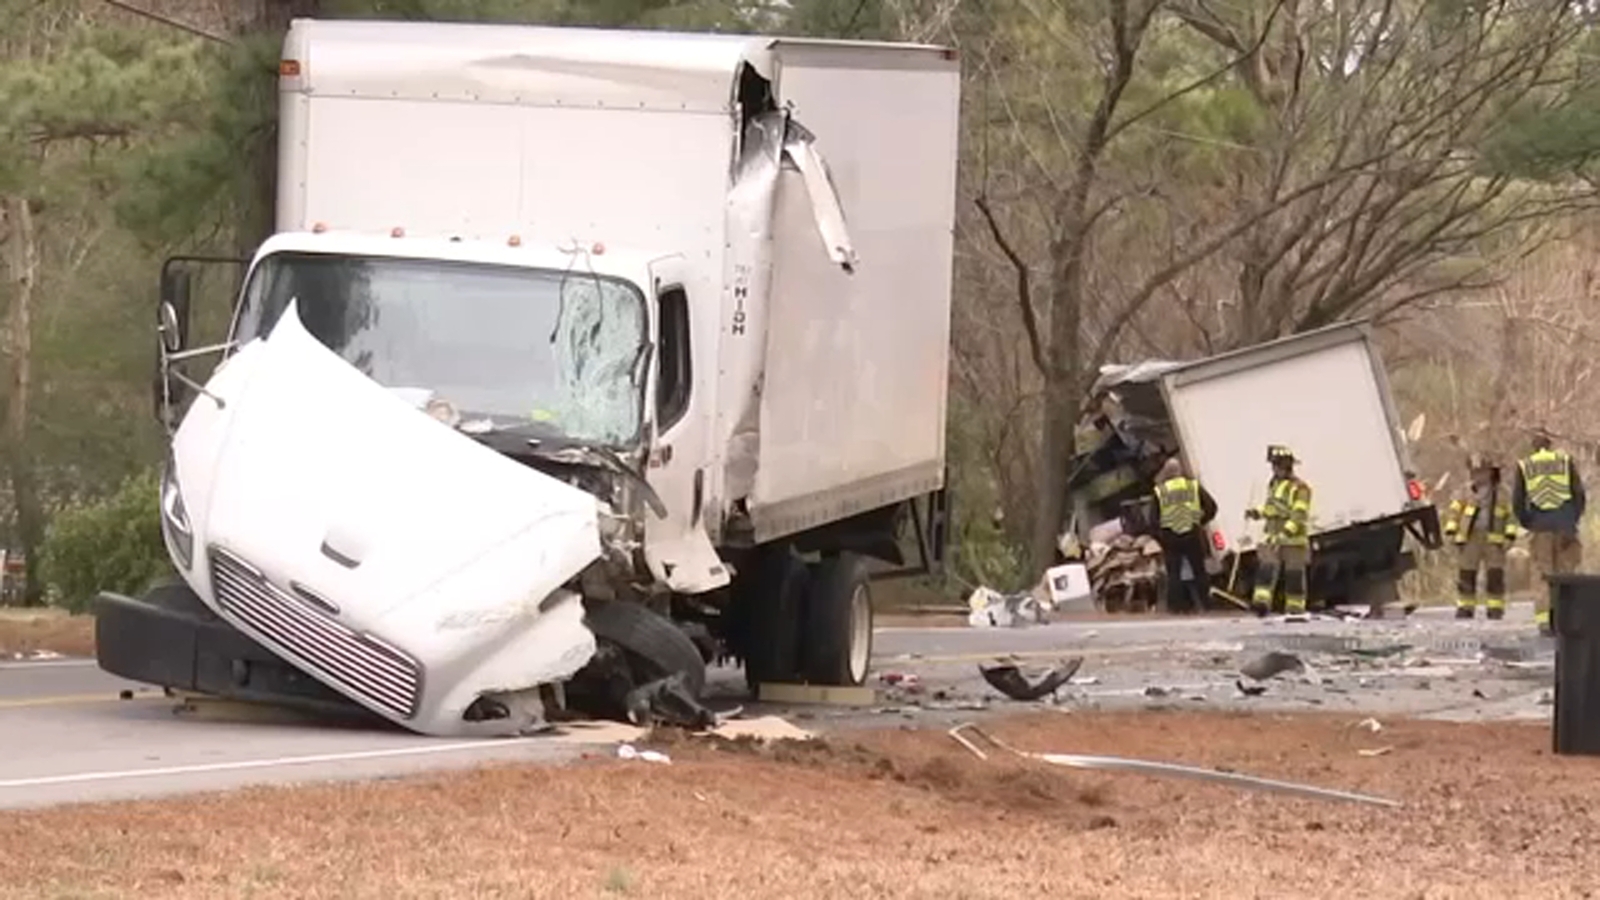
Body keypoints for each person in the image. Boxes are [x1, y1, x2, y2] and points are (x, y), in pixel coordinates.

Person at [1513, 428, 1586, 637]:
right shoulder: (1565, 462)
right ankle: (1567, 619)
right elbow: (1578, 494)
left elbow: (1518, 502)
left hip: (1540, 526)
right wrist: (1572, 520)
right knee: (1568, 574)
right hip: (1565, 527)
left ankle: (1545, 623)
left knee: (1544, 574)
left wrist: (1529, 522)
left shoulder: (1525, 465)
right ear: (1550, 444)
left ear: (1534, 446)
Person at [1443, 454, 1518, 620]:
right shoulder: (1464, 492)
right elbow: (1454, 512)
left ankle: (1495, 608)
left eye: (1481, 472)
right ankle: (1465, 607)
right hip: (1469, 539)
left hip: (1495, 540)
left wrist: (1510, 536)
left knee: (1495, 575)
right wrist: (1451, 532)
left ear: (1490, 473)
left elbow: (1512, 516)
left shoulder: (1502, 492)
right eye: (1474, 472)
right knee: (1466, 574)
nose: (1477, 476)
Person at [1245, 445, 1313, 616]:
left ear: (1286, 467)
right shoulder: (1274, 484)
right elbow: (1272, 507)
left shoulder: (1301, 488)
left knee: (1294, 575)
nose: (1274, 469)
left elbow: (1299, 514)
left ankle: (1295, 608)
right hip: (1273, 537)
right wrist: (1257, 513)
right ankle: (1261, 604)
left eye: (1276, 465)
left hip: (1293, 540)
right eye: (1273, 465)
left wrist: (1286, 533)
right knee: (1266, 570)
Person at [1152, 457, 1219, 615]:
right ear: (1180, 470)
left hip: (1171, 536)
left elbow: (1152, 520)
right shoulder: (1192, 486)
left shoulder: (1160, 491)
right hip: (1192, 533)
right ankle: (1206, 605)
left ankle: (1177, 608)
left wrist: (1161, 537)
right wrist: (1200, 521)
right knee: (1199, 572)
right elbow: (1211, 507)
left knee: (1174, 574)